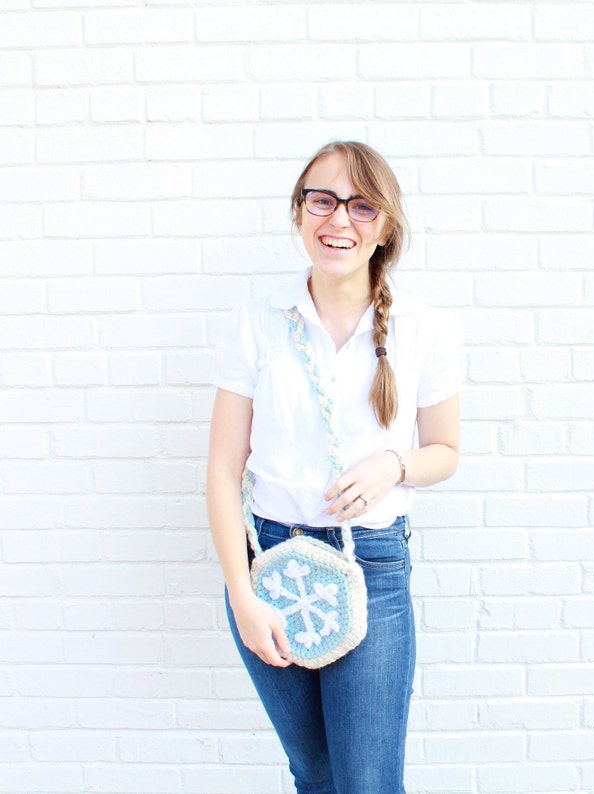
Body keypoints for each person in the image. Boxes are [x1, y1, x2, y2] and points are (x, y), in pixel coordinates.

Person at [206, 140, 461, 794]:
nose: (338, 219)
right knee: (314, 774)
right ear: (298, 213)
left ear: (385, 227)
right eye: (322, 200)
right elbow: (222, 471)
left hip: (371, 566)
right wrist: (243, 596)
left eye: (361, 205)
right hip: (270, 569)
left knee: (367, 783)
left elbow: (445, 451)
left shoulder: (423, 328)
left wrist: (392, 465)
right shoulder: (257, 322)